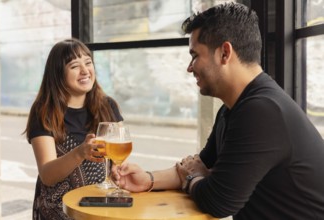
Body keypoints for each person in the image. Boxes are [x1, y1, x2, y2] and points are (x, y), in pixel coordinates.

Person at [113, 2, 324, 220]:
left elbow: (218, 201)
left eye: (195, 55)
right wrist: (147, 179)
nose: (189, 66)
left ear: (224, 53)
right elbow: (199, 166)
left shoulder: (262, 110)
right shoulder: (233, 108)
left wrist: (195, 177)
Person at [24, 38, 123, 219]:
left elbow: (118, 154)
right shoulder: (44, 111)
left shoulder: (108, 106)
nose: (85, 71)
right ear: (58, 74)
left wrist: (117, 170)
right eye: (74, 66)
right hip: (57, 210)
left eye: (88, 63)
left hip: (99, 206)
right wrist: (80, 153)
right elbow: (47, 174)